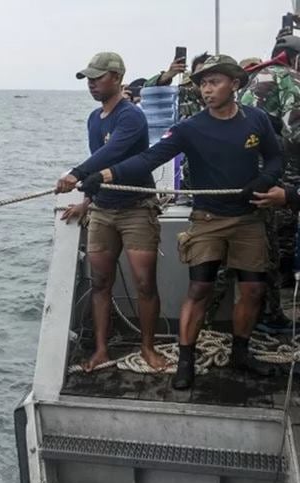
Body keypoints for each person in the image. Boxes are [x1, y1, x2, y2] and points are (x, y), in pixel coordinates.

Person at [76, 55, 283, 390]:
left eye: (214, 82)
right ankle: (186, 360)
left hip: (248, 218)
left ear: (235, 83)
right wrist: (104, 175)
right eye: (202, 83)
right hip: (207, 219)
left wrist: (266, 179)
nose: (206, 89)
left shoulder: (257, 121)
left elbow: (275, 157)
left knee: (253, 289)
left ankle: (240, 352)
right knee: (199, 289)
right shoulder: (190, 128)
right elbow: (149, 158)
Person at [55, 52, 167, 372]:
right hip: (103, 209)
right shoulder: (94, 118)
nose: (91, 83)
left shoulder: (131, 116)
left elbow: (113, 152)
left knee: (145, 283)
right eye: (88, 78)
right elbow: (99, 162)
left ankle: (148, 347)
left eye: (97, 77)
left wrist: (75, 174)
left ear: (117, 77)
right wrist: (86, 201)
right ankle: (101, 349)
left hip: (136, 209)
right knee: (100, 282)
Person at [240, 34, 300, 334]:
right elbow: (296, 132)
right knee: (274, 244)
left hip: (246, 172)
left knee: (261, 244)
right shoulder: (289, 80)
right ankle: (269, 315)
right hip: (276, 174)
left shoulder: (254, 77)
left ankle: (260, 315)